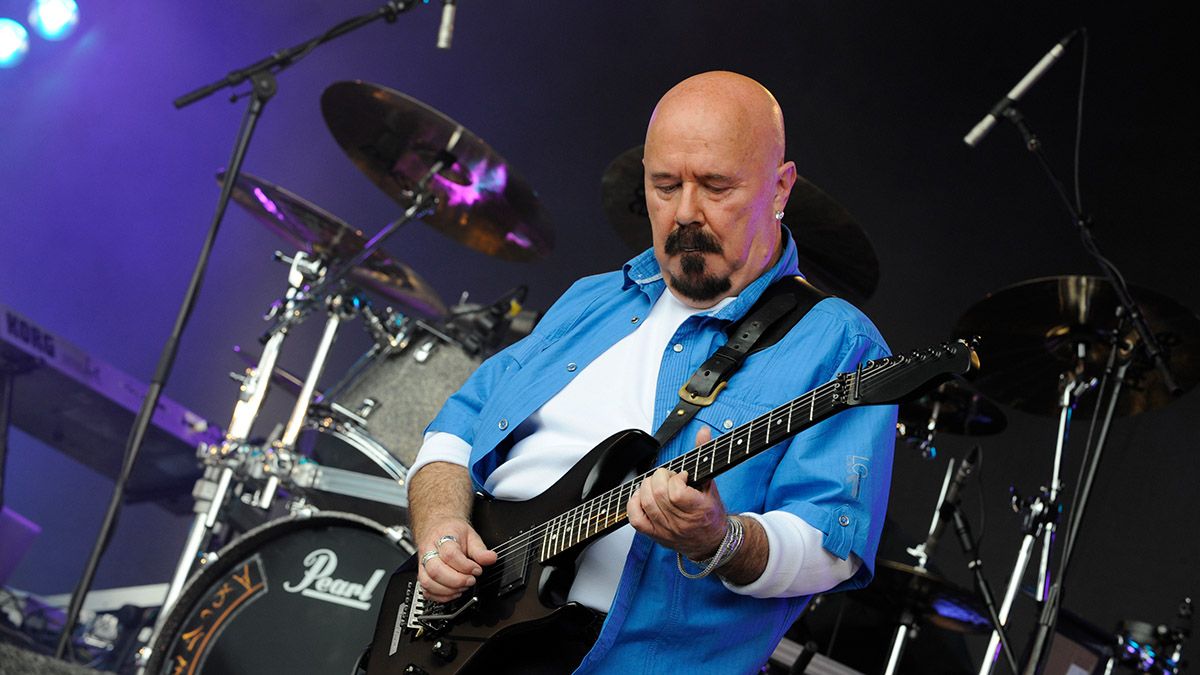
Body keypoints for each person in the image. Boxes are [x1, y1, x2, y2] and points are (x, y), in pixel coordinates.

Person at [404, 71, 897, 673]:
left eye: (716, 186)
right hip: (460, 638)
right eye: (665, 186)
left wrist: (719, 539)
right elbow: (456, 428)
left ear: (779, 187)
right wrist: (442, 529)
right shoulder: (592, 299)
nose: (685, 213)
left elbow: (832, 544)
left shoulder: (836, 342)